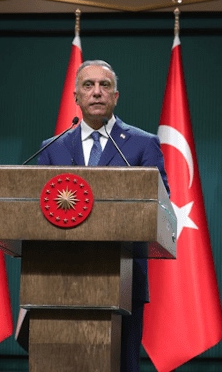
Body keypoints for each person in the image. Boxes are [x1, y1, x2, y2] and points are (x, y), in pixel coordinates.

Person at [37, 60, 169, 372]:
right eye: (88, 85)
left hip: (124, 279)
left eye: (104, 85)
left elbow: (161, 206)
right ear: (76, 97)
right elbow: (38, 207)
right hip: (61, 279)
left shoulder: (142, 143)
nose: (97, 92)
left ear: (116, 96)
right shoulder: (52, 148)